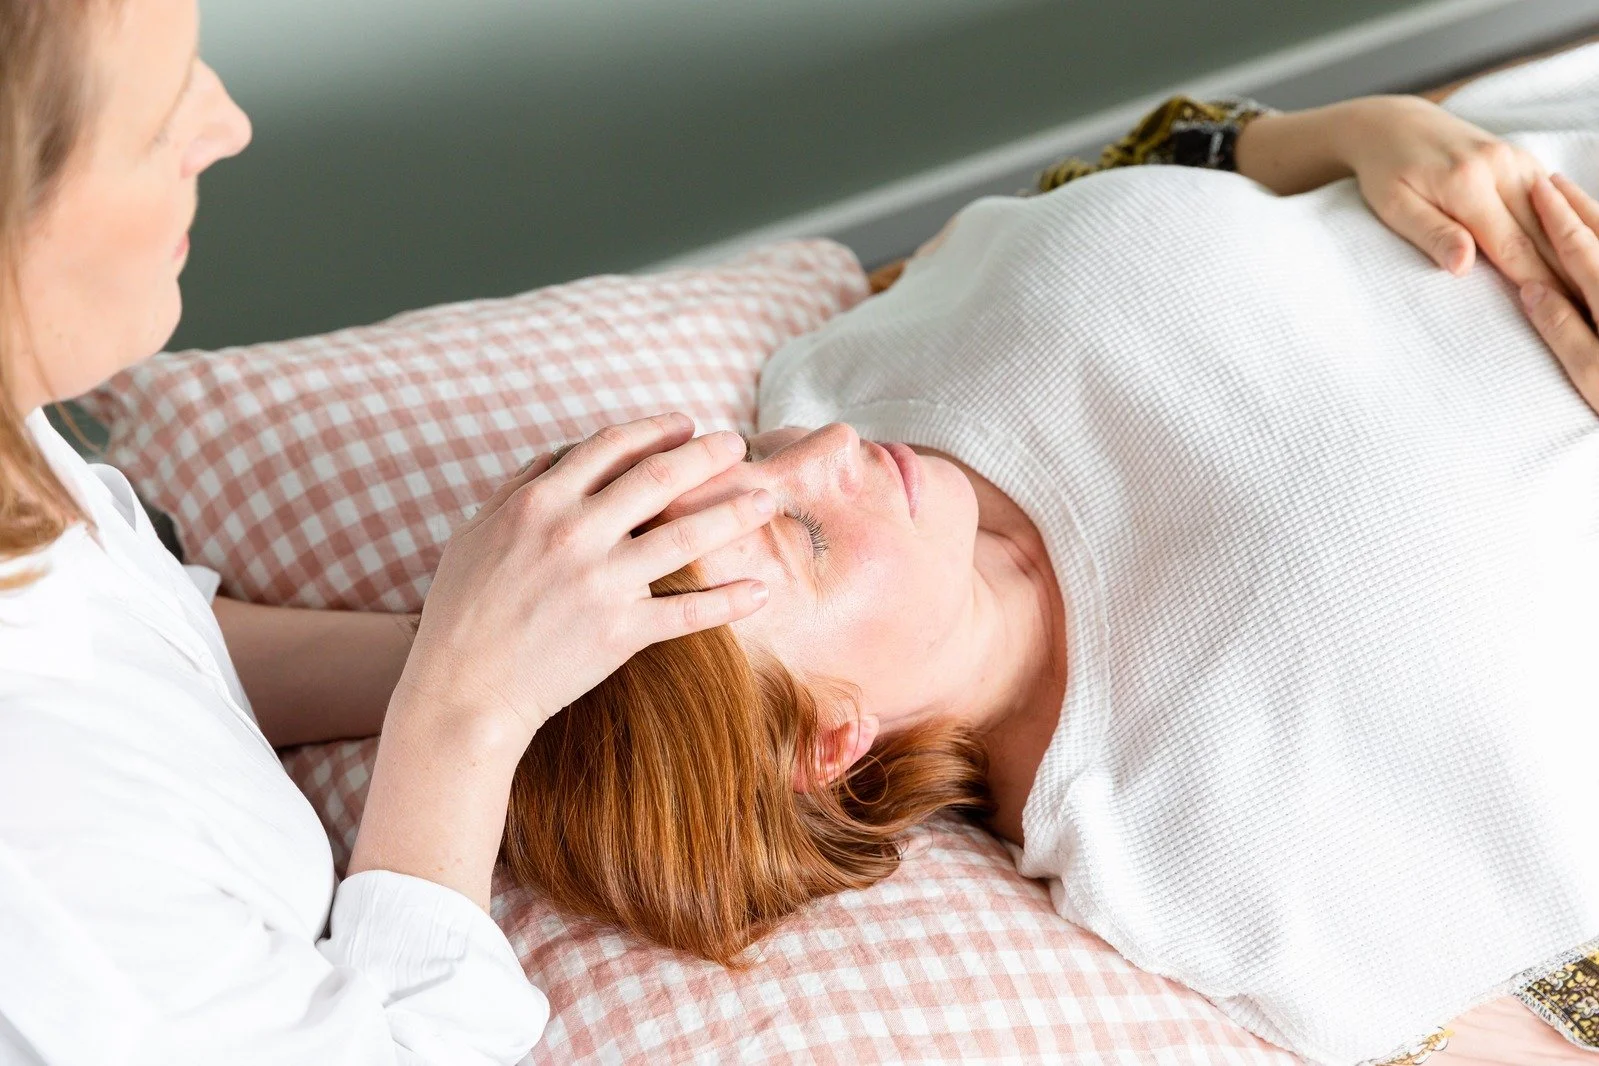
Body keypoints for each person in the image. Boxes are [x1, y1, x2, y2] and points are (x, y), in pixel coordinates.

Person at [498, 55, 1599, 1066]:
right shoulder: (1199, 849)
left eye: (741, 459)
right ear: (833, 740)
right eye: (805, 534)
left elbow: (1163, 155)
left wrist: (1366, 130)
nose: (828, 450)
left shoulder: (840, 373)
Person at [0, 1, 781, 1062]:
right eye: (151, 123)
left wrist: (471, 648)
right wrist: (466, 713)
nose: (227, 125)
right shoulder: (50, 878)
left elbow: (146, 645)